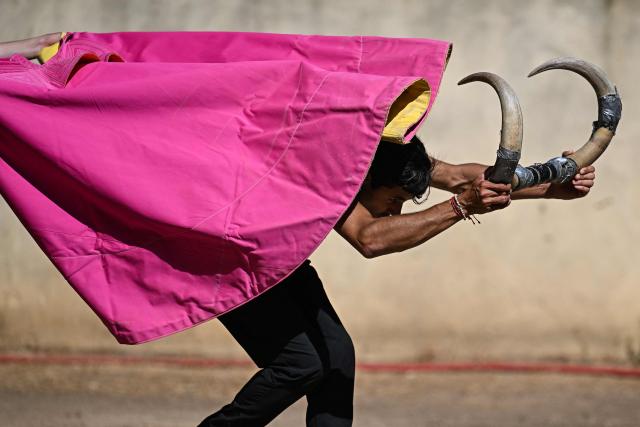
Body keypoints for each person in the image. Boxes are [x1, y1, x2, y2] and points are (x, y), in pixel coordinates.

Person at [1, 35, 596, 427]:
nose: (396, 209)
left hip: (273, 255)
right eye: (394, 202)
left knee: (336, 358)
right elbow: (370, 238)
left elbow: (463, 174)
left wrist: (548, 183)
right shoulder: (325, 165)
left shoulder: (390, 149)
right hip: (227, 258)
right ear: (366, 185)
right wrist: (459, 209)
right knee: (303, 365)